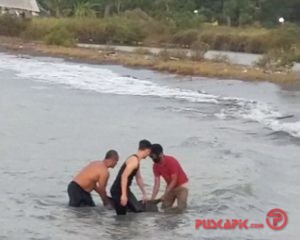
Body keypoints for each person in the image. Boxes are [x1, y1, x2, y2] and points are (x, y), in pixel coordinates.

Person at [110, 139, 152, 215]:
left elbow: (138, 178)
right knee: (121, 216)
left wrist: (144, 194)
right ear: (147, 150)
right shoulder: (134, 161)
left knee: (138, 210)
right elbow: (124, 176)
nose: (149, 155)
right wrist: (123, 195)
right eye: (149, 152)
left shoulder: (136, 160)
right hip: (118, 191)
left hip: (125, 190)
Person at [150, 144, 188, 211]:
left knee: (181, 209)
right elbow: (156, 184)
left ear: (161, 154)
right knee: (164, 208)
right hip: (170, 187)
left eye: (154, 156)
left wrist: (165, 194)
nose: (152, 159)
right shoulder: (155, 166)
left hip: (182, 186)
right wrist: (152, 199)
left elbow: (174, 180)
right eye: (151, 156)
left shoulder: (171, 161)